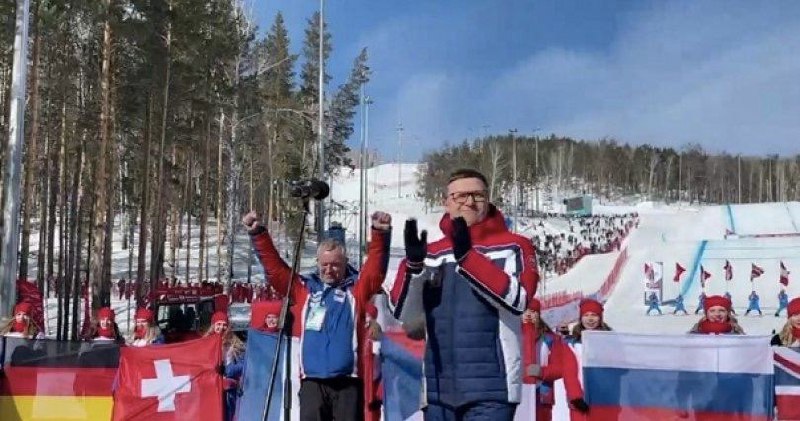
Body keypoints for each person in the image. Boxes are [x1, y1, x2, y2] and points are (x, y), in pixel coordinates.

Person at [389, 168, 539, 420]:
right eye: (460, 196)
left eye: (478, 195)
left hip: (492, 389)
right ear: (446, 202)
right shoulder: (432, 253)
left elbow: (519, 300)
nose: (469, 202)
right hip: (438, 390)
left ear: (487, 200)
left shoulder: (514, 246)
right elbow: (404, 313)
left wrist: (468, 258)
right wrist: (413, 268)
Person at [244, 210, 392, 421]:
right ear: (317, 263)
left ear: (345, 263)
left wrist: (380, 233)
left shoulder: (355, 290)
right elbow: (275, 270)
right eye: (324, 265)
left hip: (347, 382)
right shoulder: (304, 289)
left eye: (335, 265)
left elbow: (375, 270)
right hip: (312, 382)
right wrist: (258, 234)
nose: (329, 270)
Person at [522, 298, 585, 421]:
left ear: (539, 315)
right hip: (520, 393)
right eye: (526, 311)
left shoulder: (550, 339)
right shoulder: (513, 335)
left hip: (542, 395)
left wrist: (542, 372)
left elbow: (560, 367)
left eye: (533, 312)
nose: (529, 315)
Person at [205, 311, 245, 421]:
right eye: (218, 324)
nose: (221, 327)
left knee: (227, 414)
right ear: (213, 325)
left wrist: (229, 370)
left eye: (224, 325)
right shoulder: (205, 343)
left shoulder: (235, 343)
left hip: (228, 387)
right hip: (211, 386)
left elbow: (244, 364)